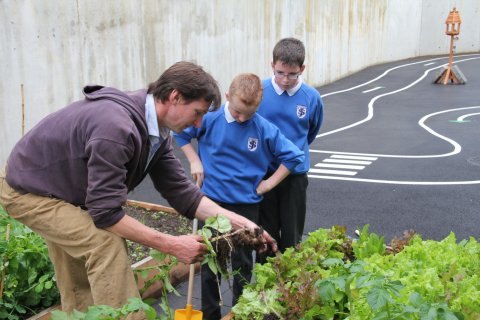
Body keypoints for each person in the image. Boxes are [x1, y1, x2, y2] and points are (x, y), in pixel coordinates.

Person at [0, 61, 277, 319]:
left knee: (79, 275)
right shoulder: (116, 127)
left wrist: (242, 224)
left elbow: (185, 195)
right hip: (28, 190)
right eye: (198, 113)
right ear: (175, 97)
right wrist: (171, 244)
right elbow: (106, 213)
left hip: (62, 190)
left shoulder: (154, 132)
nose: (198, 125)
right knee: (104, 243)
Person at [173, 73, 304, 320]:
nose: (241, 117)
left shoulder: (264, 129)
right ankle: (211, 314)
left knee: (242, 265)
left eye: (249, 113)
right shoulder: (208, 119)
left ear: (258, 107)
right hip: (211, 205)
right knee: (211, 265)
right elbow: (179, 134)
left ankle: (239, 313)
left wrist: (267, 185)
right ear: (226, 98)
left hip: (246, 208)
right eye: (236, 111)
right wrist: (194, 160)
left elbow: (294, 156)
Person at [256, 38, 324, 261]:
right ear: (271, 65)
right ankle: (266, 287)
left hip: (294, 176)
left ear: (302, 69)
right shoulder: (260, 91)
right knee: (266, 234)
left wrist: (294, 155)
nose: (285, 79)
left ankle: (290, 284)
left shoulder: (311, 97)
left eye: (292, 74)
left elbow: (310, 131)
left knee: (292, 235)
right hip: (265, 174)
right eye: (280, 72)